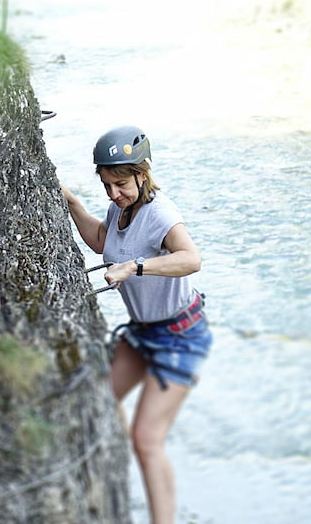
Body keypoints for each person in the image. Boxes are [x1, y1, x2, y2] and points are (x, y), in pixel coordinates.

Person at [60, 125, 213, 524]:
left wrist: (134, 267)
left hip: (179, 337)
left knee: (147, 440)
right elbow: (102, 241)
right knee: (96, 398)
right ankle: (113, 481)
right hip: (143, 332)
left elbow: (191, 259)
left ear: (142, 174)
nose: (113, 193)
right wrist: (73, 203)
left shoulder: (161, 213)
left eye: (121, 184)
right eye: (107, 185)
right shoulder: (121, 208)